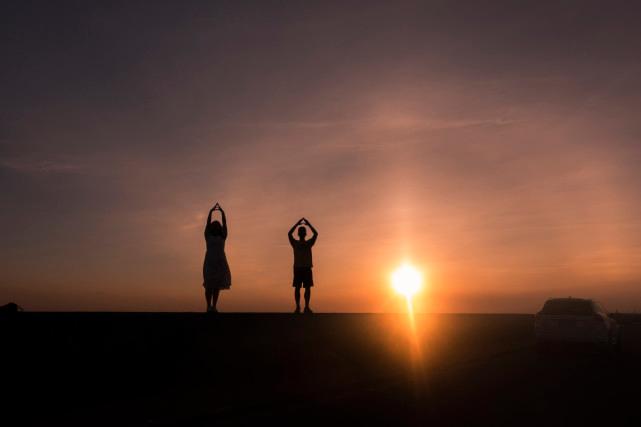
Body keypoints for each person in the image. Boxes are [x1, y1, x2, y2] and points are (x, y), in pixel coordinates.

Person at [203, 203, 231, 312]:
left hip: (220, 261)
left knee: (217, 285)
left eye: (217, 225)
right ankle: (208, 306)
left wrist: (222, 212)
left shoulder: (223, 236)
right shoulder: (208, 236)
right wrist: (211, 212)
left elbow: (225, 223)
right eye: (213, 225)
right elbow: (207, 223)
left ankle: (214, 306)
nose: (215, 226)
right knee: (209, 284)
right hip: (210, 261)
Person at [288, 217, 318, 314]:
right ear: (299, 233)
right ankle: (298, 307)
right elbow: (289, 234)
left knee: (307, 288)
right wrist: (297, 224)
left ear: (305, 233)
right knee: (297, 287)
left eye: (302, 231)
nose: (301, 232)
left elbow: (316, 234)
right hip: (298, 267)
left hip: (306, 267)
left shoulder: (309, 243)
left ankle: (306, 307)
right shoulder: (295, 243)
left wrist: (308, 224)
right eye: (300, 231)